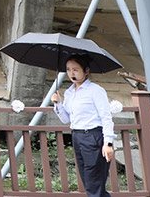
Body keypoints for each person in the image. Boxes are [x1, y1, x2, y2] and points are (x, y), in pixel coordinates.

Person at [52, 54, 115, 197]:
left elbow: (106, 117)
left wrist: (108, 143)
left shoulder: (95, 90)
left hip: (93, 136)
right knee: (89, 182)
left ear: (86, 71)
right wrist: (58, 104)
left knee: (94, 182)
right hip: (77, 136)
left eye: (76, 69)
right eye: (68, 69)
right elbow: (66, 119)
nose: (71, 73)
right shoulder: (69, 92)